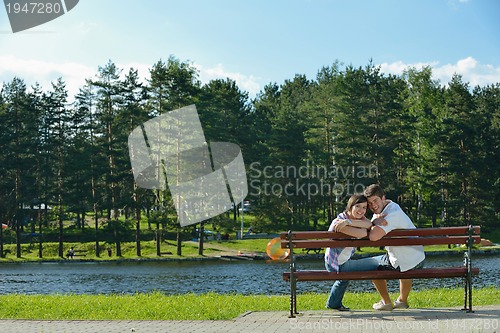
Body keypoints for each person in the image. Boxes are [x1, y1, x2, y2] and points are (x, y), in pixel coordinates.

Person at [364, 184, 425, 311]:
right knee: (401, 261)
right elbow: (373, 224)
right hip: (418, 257)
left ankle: (386, 302)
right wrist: (373, 222)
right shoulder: (392, 206)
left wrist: (372, 224)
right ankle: (402, 301)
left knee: (372, 266)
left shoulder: (391, 214)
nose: (373, 205)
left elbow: (374, 236)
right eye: (370, 203)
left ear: (383, 198)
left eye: (375, 200)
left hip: (406, 261)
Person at [324, 193, 381, 311]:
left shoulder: (349, 220)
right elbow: (362, 233)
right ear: (350, 207)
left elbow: (369, 224)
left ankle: (333, 304)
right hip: (338, 264)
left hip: (339, 262)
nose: (361, 210)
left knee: (343, 279)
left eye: (364, 207)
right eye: (358, 206)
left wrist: (349, 222)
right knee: (377, 263)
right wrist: (348, 223)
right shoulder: (339, 223)